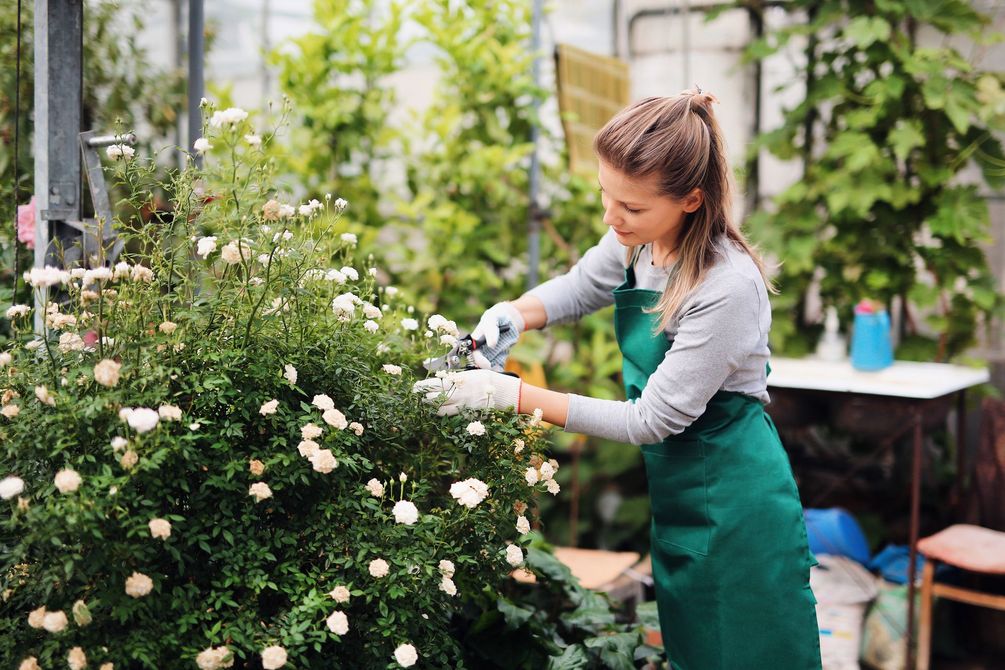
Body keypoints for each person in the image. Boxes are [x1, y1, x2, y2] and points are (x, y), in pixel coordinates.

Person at [413, 89, 822, 670]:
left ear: (691, 200)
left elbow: (651, 420)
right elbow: (582, 287)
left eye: (630, 206)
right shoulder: (640, 241)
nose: (612, 216)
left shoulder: (725, 286)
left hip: (736, 503)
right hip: (681, 491)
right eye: (607, 195)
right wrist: (516, 313)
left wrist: (513, 396)